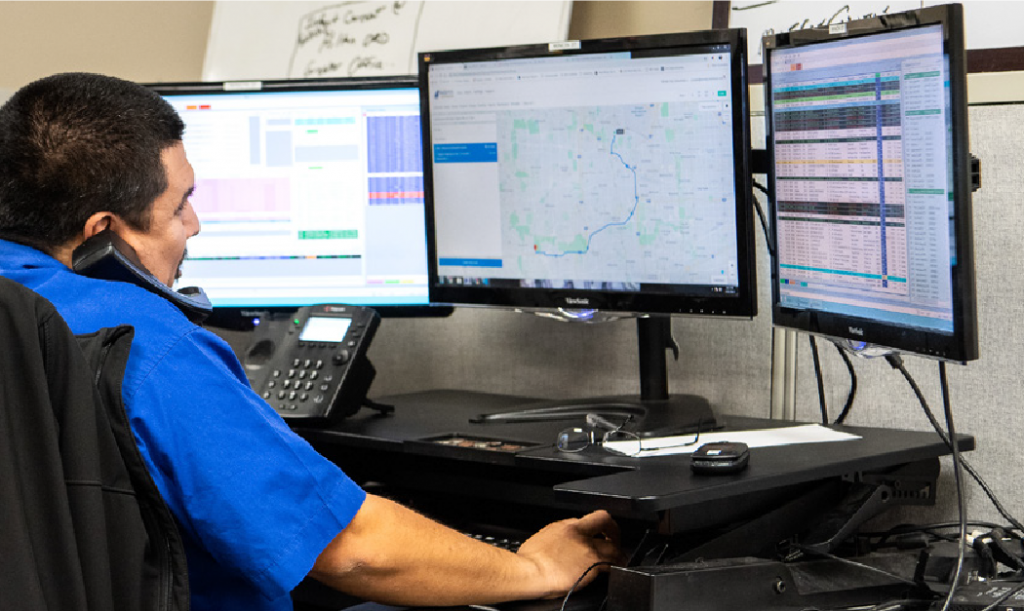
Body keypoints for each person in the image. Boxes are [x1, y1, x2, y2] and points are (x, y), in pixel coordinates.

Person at [0, 72, 624, 611]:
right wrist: (533, 567)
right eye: (180, 205)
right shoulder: (147, 343)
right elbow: (353, 550)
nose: (195, 224)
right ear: (103, 233)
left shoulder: (16, 304)